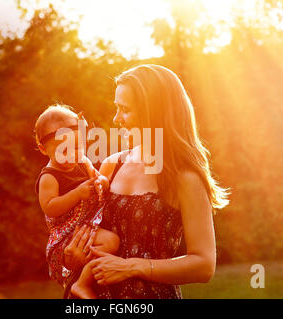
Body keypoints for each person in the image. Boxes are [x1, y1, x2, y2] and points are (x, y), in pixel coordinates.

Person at [63, 65, 230, 298]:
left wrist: (132, 266)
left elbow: (204, 265)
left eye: (125, 110)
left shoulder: (184, 178)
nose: (116, 118)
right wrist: (74, 259)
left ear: (155, 112)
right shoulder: (112, 166)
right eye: (116, 108)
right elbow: (90, 245)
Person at [34, 104, 120, 298]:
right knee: (111, 242)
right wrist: (77, 194)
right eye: (63, 150)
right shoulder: (49, 177)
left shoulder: (82, 161)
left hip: (87, 226)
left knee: (111, 243)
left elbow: (99, 179)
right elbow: (50, 208)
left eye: (76, 147)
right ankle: (82, 284)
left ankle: (92, 276)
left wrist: (102, 182)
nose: (72, 154)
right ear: (43, 149)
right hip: (67, 235)